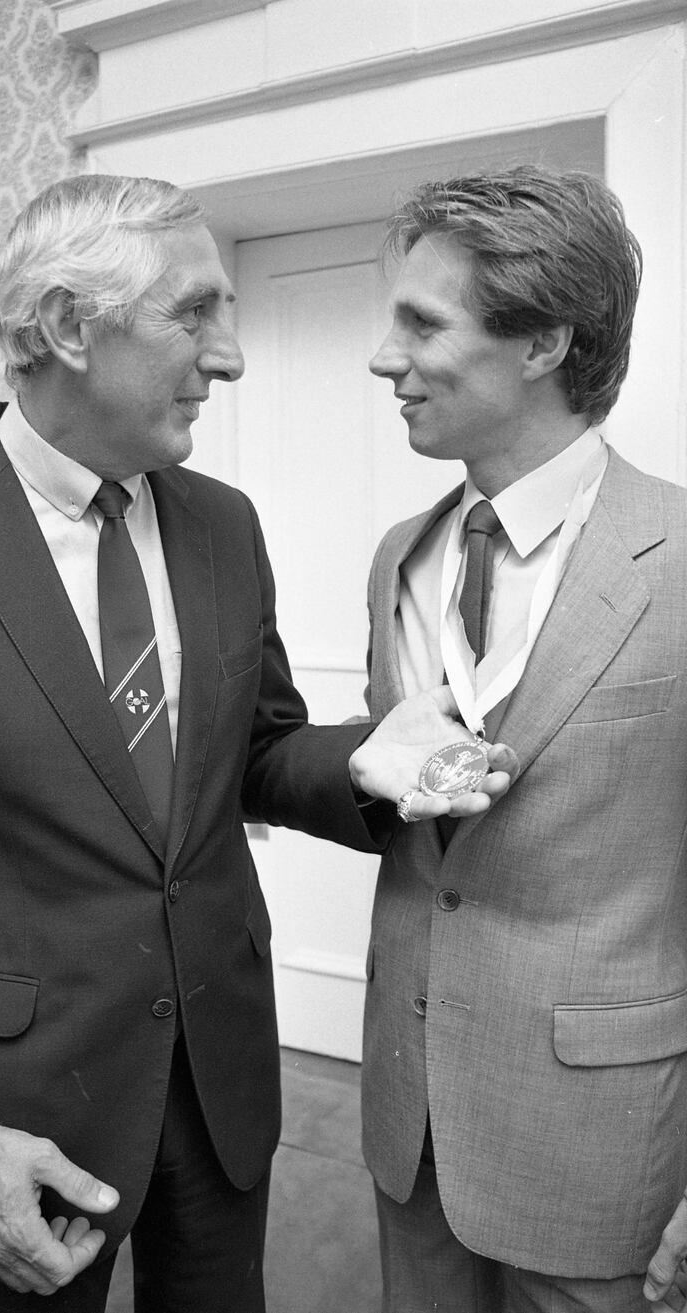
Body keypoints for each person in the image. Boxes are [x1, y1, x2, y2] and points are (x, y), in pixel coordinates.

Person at [0, 174, 512, 1313]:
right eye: (195, 312)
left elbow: (260, 750)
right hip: (12, 1115)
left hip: (219, 1084)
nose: (228, 356)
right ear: (73, 327)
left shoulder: (221, 521)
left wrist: (373, 756)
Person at [359, 165, 687, 1312]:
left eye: (419, 322)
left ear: (542, 343)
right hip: (411, 1121)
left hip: (601, 1141)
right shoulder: (399, 553)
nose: (380, 356)